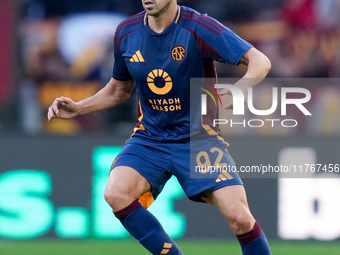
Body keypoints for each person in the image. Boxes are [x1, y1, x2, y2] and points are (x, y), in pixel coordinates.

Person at [47, 0, 272, 254]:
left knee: (240, 218)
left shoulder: (198, 27)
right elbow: (119, 89)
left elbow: (260, 61)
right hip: (150, 138)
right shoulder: (126, 32)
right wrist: (79, 107)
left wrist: (239, 90)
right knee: (115, 193)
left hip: (199, 139)